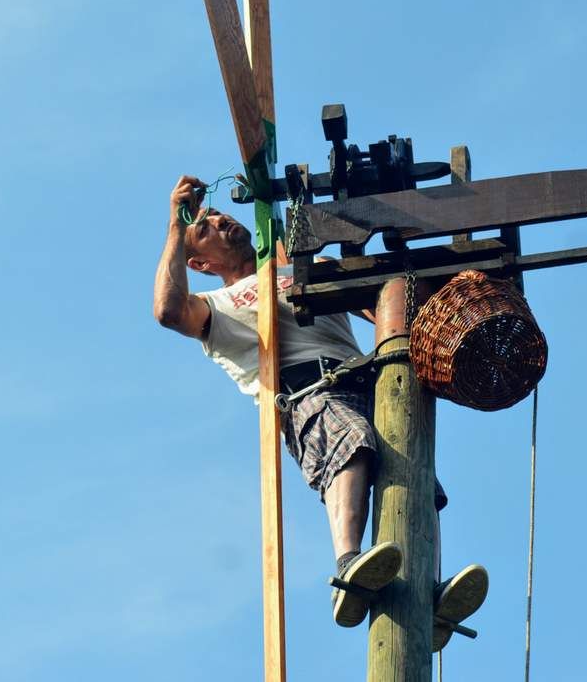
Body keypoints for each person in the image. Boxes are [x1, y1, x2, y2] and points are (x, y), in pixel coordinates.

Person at [153, 175, 485, 649]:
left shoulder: (303, 268)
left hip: (371, 379)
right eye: (205, 228)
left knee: (416, 476)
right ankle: (349, 563)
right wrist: (174, 223)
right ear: (200, 264)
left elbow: (384, 303)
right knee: (350, 443)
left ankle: (427, 595)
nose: (220, 220)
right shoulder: (215, 306)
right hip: (309, 389)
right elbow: (167, 311)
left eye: (219, 215)